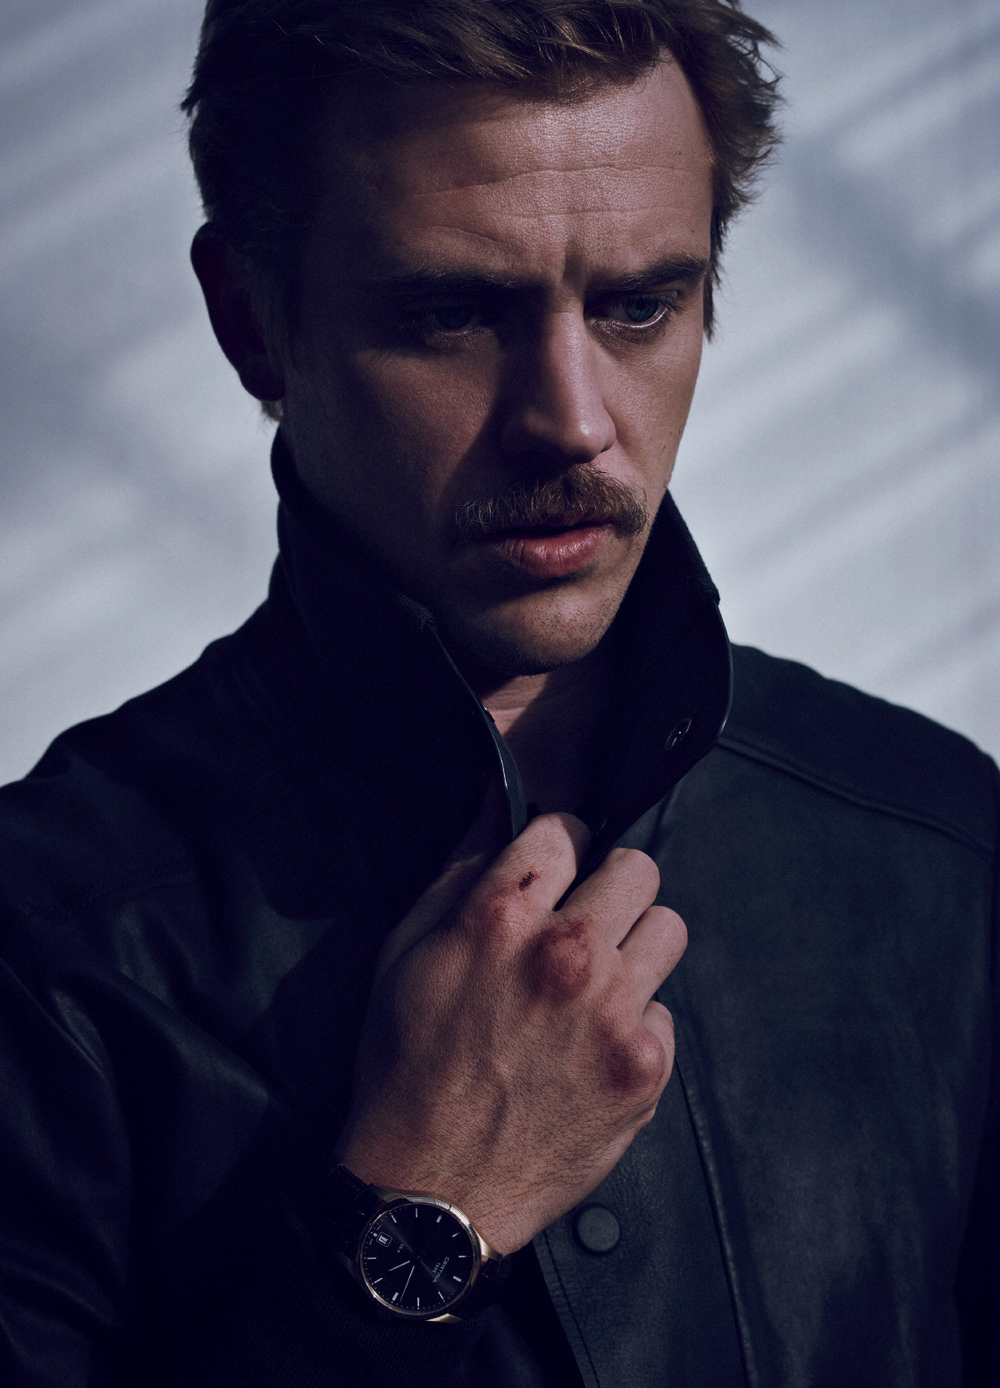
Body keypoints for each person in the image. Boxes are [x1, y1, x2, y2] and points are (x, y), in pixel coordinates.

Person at [0, 1, 996, 1385]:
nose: (573, 421)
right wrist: (417, 1214)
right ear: (251, 321)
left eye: (640, 304)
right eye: (453, 312)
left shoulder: (944, 848)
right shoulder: (49, 943)